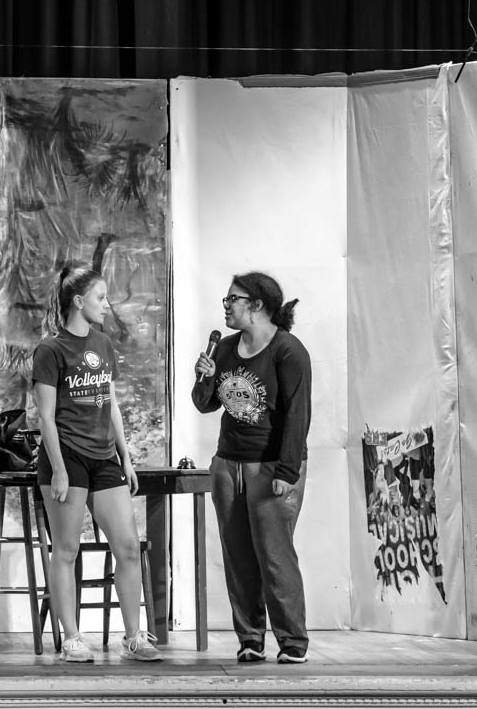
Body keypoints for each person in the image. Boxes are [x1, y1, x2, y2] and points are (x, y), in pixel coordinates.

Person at [32, 262, 164, 663]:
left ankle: (134, 636)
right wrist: (58, 469)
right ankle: (72, 638)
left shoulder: (103, 344)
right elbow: (45, 416)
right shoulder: (51, 349)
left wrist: (126, 457)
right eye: (100, 297)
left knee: (128, 546)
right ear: (78, 301)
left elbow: (112, 404)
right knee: (67, 549)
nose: (107, 304)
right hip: (67, 456)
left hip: (104, 457)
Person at [191, 272, 312, 664]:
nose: (226, 306)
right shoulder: (226, 348)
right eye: (226, 300)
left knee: (274, 557)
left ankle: (292, 642)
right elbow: (205, 404)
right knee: (238, 558)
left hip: (271, 466)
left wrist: (287, 472)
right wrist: (205, 378)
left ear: (257, 305)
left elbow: (297, 415)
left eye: (233, 299)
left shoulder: (287, 351)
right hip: (228, 465)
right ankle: (250, 639)